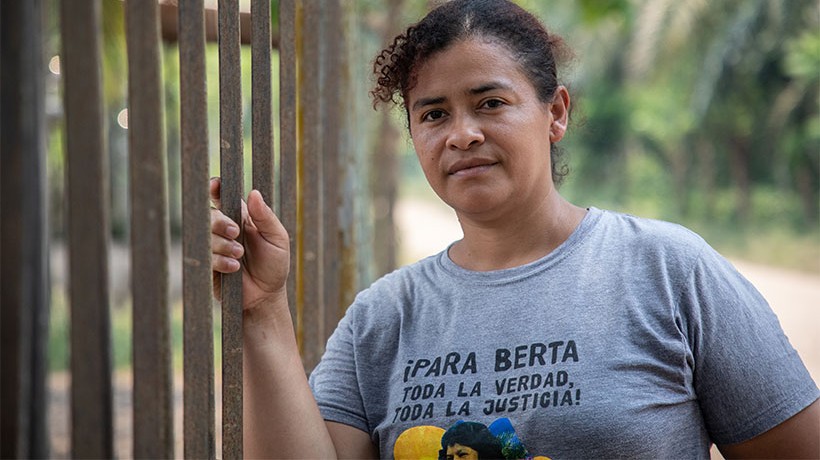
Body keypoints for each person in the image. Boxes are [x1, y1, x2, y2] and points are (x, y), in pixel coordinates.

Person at [209, 0, 820, 458]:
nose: (462, 133)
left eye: (490, 102)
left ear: (555, 113)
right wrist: (262, 313)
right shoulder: (383, 318)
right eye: (433, 114)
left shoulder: (668, 270)